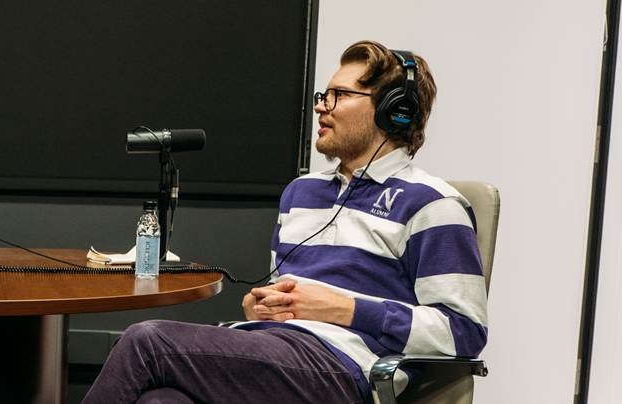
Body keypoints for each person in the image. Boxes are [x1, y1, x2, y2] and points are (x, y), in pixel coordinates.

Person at [82, 41, 487, 403]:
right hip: (271, 352)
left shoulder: (433, 205)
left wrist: (346, 309)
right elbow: (284, 291)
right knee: (162, 400)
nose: (321, 106)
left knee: (148, 341)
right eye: (322, 95)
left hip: (341, 369)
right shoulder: (301, 193)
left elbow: (463, 331)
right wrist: (260, 305)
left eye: (339, 95)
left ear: (393, 111)